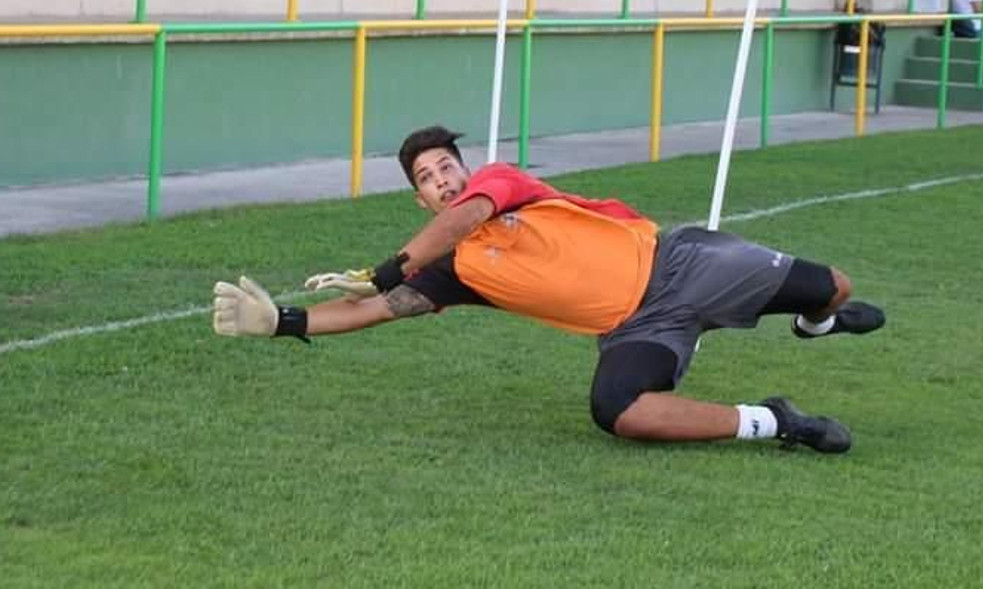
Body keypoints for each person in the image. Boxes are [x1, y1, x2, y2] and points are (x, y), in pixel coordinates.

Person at [212, 126, 886, 454]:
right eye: (427, 176)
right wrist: (285, 321)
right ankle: (776, 419)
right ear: (418, 196)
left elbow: (467, 218)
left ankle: (818, 324)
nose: (442, 179)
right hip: (636, 327)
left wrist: (393, 263)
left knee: (833, 284)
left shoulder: (501, 185)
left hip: (678, 264)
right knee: (616, 409)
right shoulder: (455, 271)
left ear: (466, 170)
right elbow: (377, 307)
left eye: (447, 165)